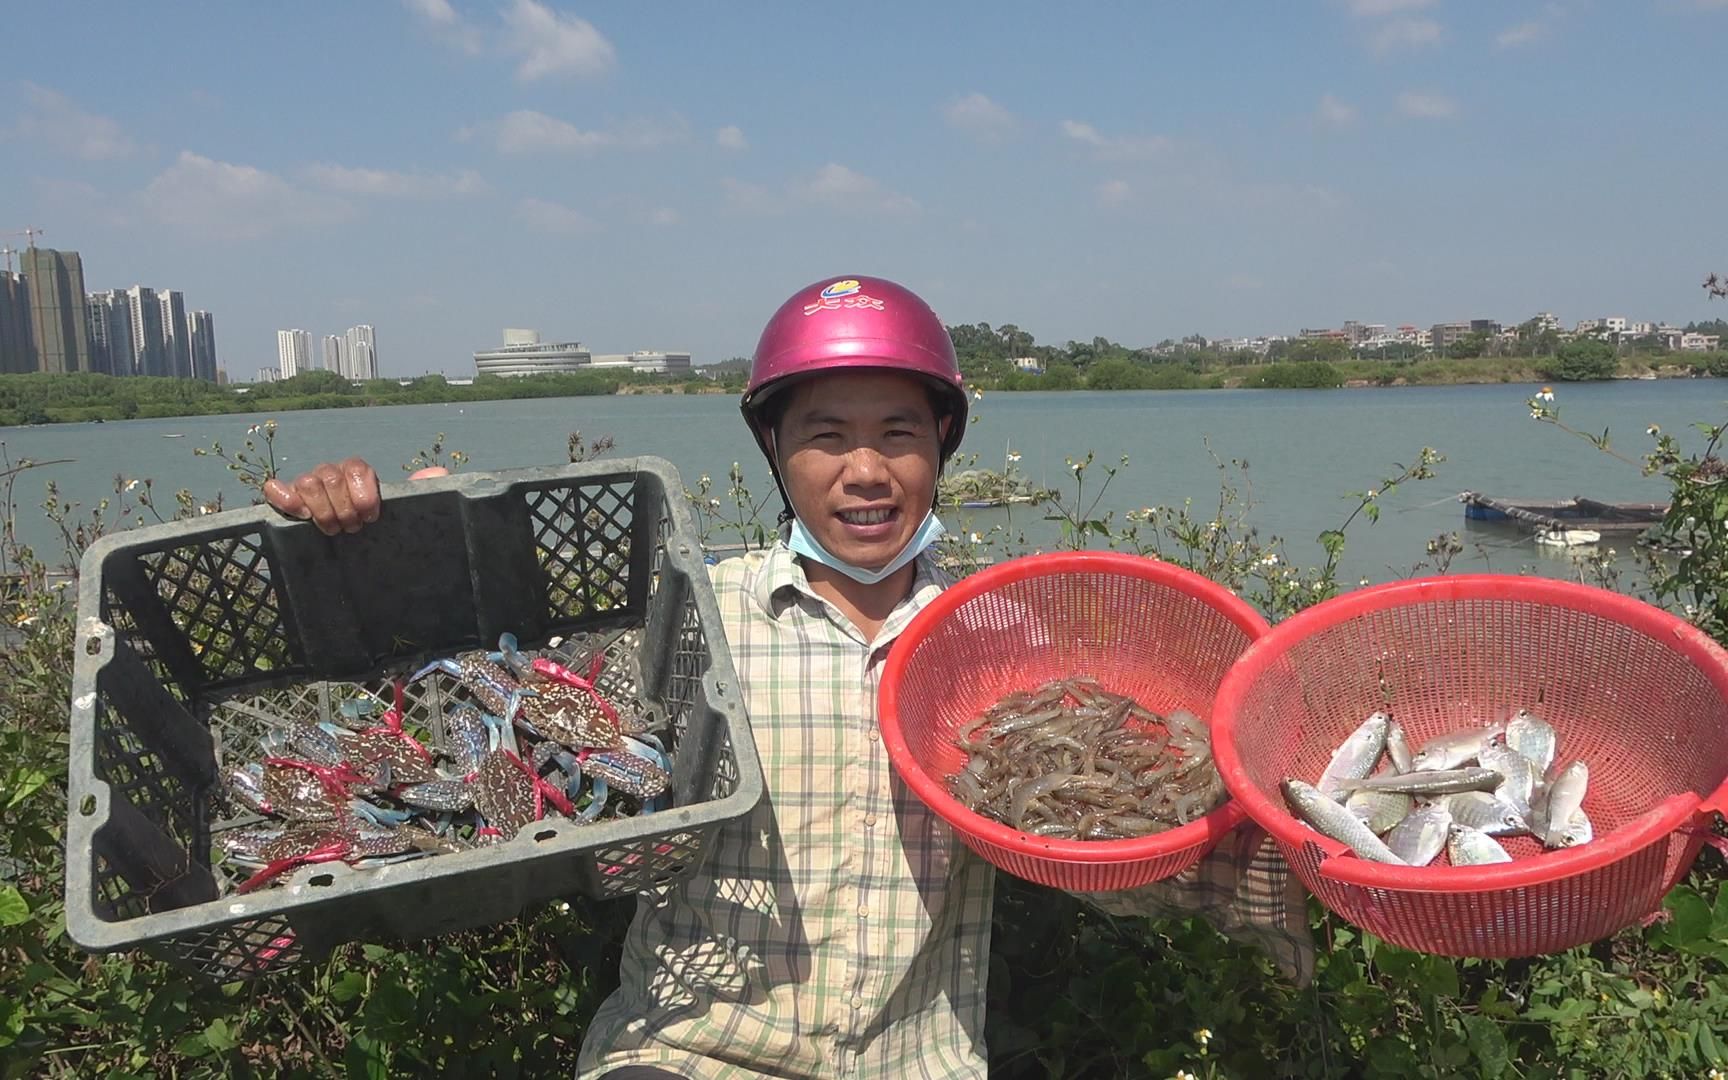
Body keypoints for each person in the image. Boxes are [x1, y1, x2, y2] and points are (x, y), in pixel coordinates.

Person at [265, 275, 1313, 1079]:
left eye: (900, 433)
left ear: (942, 447)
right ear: (775, 449)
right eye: (826, 436)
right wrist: (386, 535)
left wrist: (1284, 820)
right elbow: (507, 681)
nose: (867, 469)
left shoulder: (1009, 654)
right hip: (683, 1055)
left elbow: (1122, 850)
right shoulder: (689, 619)